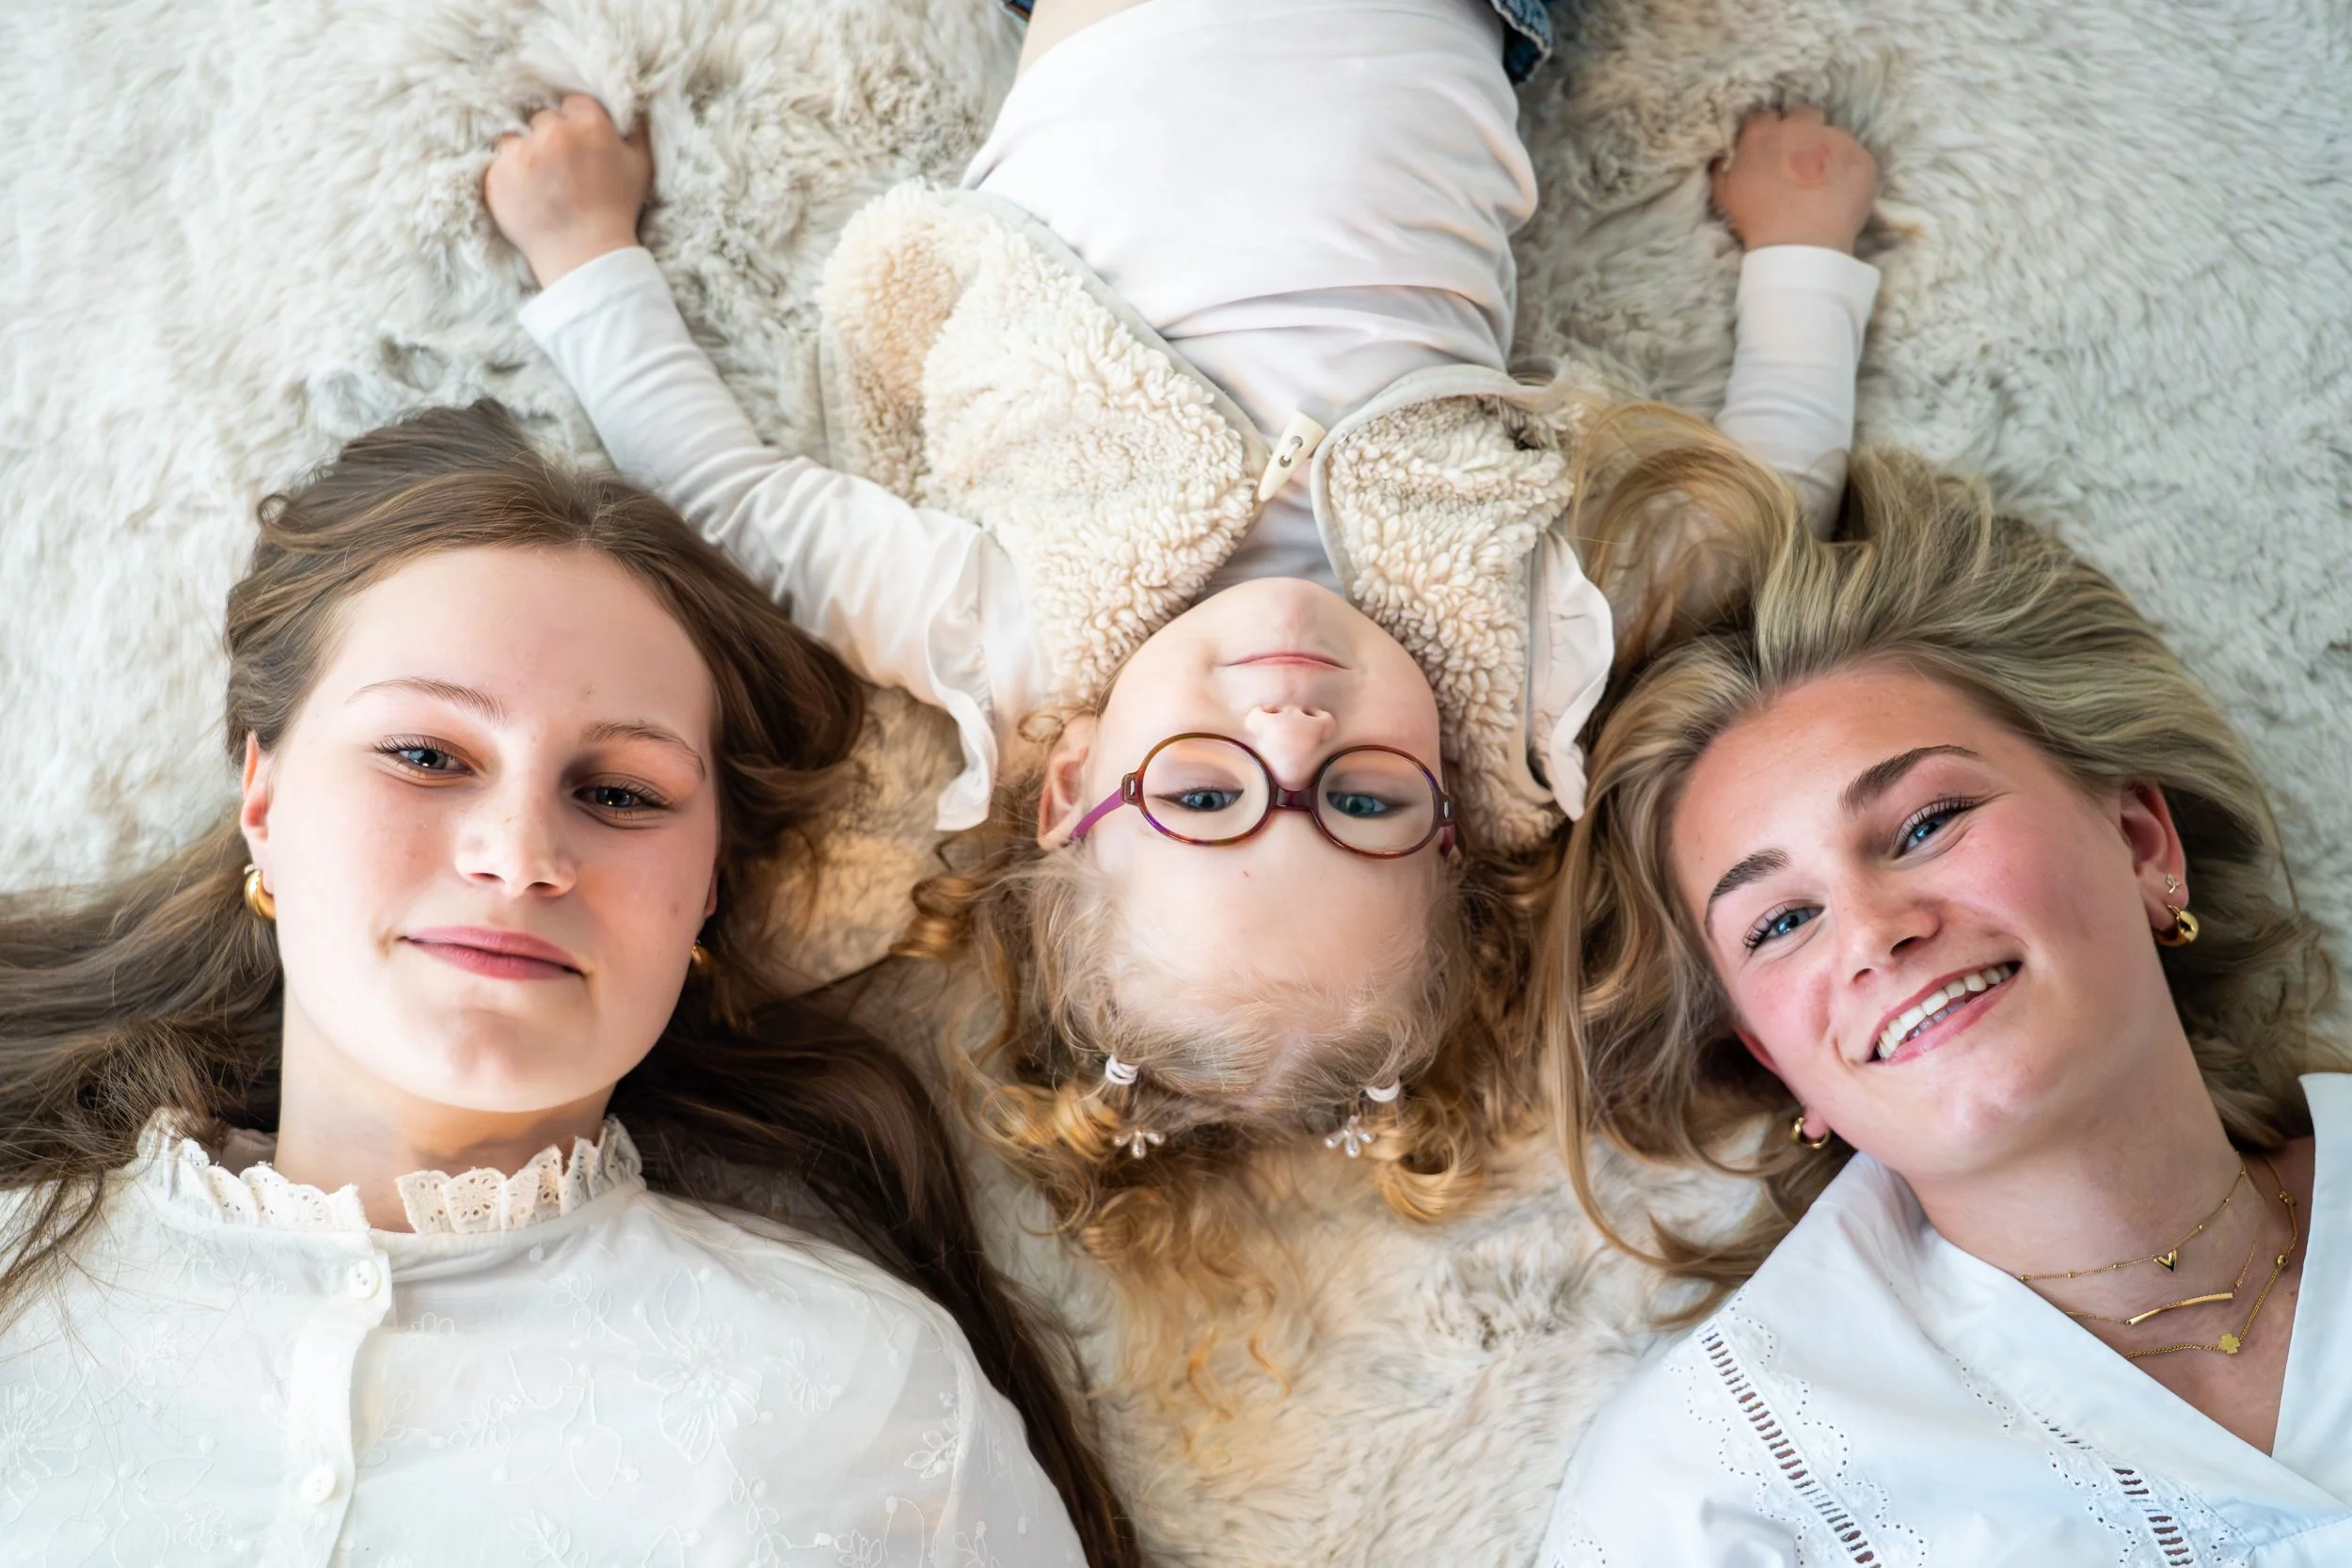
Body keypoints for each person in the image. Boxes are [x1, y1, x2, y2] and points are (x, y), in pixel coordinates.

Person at [480, 0, 1883, 1288]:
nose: (1291, 731)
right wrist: (1803, 264)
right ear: (1451, 810)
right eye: (1364, 802)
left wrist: (585, 264)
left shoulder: (1009, 632)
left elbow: (741, 509)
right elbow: (1746, 530)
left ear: (1068, 780)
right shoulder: (1527, 649)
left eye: (1203, 796)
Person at [0, 404, 1136, 1567]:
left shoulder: (865, 1391)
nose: (519, 853)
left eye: (623, 793)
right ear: (265, 804)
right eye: (428, 755)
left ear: (704, 890)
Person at [1534, 448, 2351, 1563]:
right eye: (1780, 921)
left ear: (2138, 843)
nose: (1874, 930)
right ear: (1775, 1061)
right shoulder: (1709, 1498)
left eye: (1925, 824)